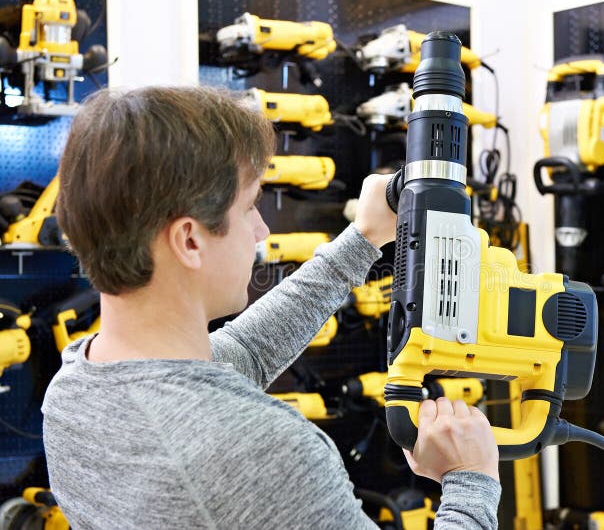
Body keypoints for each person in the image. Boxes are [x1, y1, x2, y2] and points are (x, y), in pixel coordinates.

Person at [42, 86, 501, 529]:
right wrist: (470, 481)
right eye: (250, 207)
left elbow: (243, 352)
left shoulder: (73, 391)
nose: (261, 230)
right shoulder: (254, 452)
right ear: (188, 240)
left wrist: (362, 241)